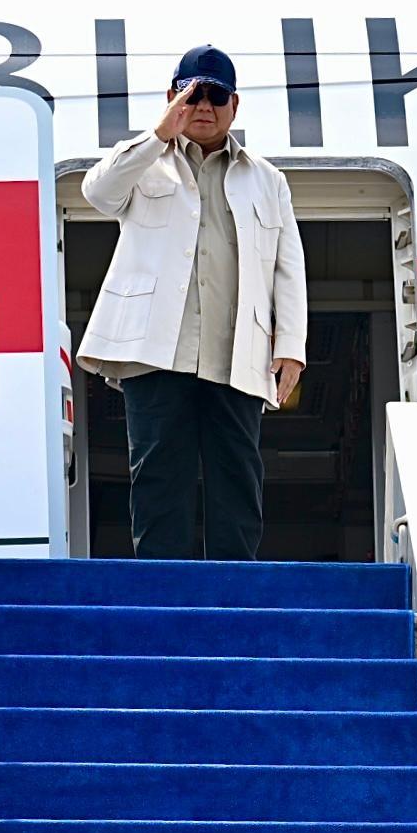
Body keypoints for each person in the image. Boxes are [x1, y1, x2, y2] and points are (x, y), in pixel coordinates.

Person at [76, 45, 306, 559]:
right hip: (155, 350)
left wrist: (291, 346)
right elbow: (97, 192)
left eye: (216, 96)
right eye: (192, 94)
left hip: (237, 350)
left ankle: (234, 588)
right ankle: (163, 587)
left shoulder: (268, 180)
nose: (203, 106)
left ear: (234, 105)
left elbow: (287, 267)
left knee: (237, 474)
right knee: (159, 474)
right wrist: (159, 134)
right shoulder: (144, 163)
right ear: (172, 98)